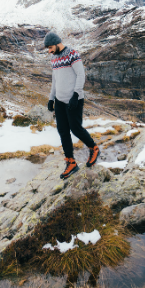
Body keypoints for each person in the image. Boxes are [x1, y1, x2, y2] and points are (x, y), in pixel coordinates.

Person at [44, 32, 99, 179]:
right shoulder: (53, 58)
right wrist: (51, 99)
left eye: (50, 47)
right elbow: (55, 80)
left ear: (57, 43)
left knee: (75, 128)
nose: (49, 51)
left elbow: (81, 75)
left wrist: (76, 94)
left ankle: (93, 148)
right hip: (60, 100)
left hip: (74, 99)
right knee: (62, 130)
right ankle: (71, 162)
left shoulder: (72, 54)